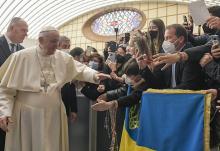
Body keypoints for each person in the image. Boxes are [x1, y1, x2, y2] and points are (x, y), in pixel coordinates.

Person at [0, 26, 109, 151]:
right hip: (27, 116)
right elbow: (5, 90)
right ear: (41, 40)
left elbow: (81, 69)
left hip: (54, 114)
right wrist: (4, 112)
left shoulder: (62, 57)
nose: (56, 45)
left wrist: (95, 75)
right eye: (53, 41)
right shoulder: (20, 57)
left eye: (57, 41)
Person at [0, 17, 28, 151]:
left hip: (16, 103)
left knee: (12, 140)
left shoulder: (23, 51)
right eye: (23, 30)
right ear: (12, 28)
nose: (26, 34)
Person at [58, 36, 78, 122]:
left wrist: (73, 109)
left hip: (65, 107)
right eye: (64, 46)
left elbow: (71, 87)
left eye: (68, 46)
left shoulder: (70, 61)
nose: (67, 49)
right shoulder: (48, 60)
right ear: (57, 45)